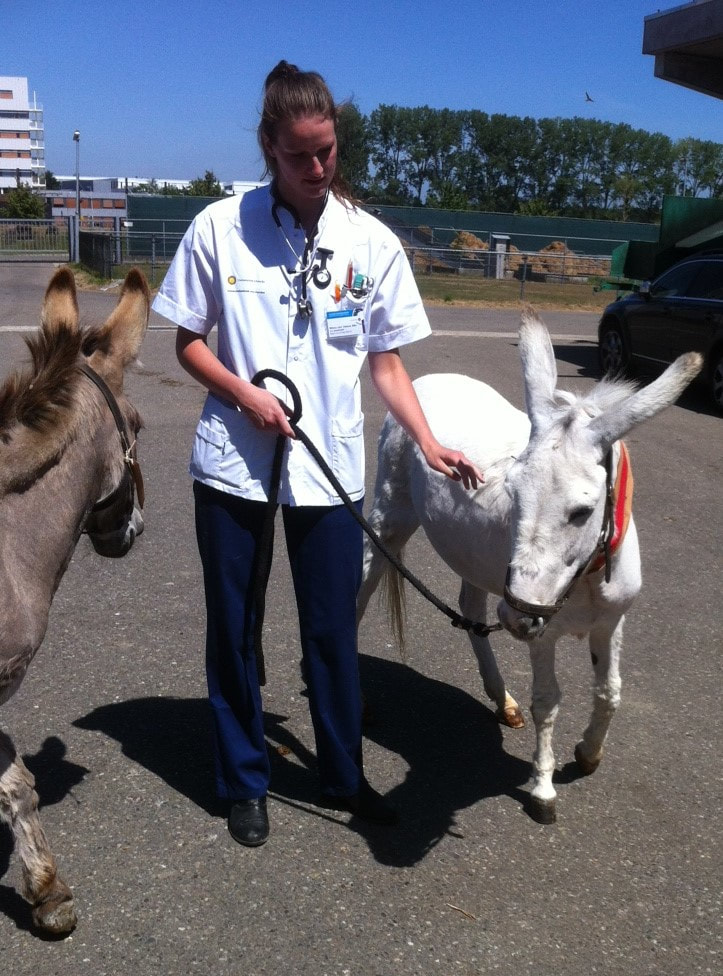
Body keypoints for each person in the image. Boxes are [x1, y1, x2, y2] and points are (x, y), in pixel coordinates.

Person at [152, 60, 483, 848]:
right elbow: (186, 343)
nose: (316, 168)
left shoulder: (369, 242)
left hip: (327, 470)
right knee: (234, 625)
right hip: (235, 462)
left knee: (333, 630)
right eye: (299, 154)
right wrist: (245, 395)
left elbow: (387, 363)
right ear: (269, 146)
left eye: (327, 151)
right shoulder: (219, 228)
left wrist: (430, 442)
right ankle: (243, 779)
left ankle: (342, 770)